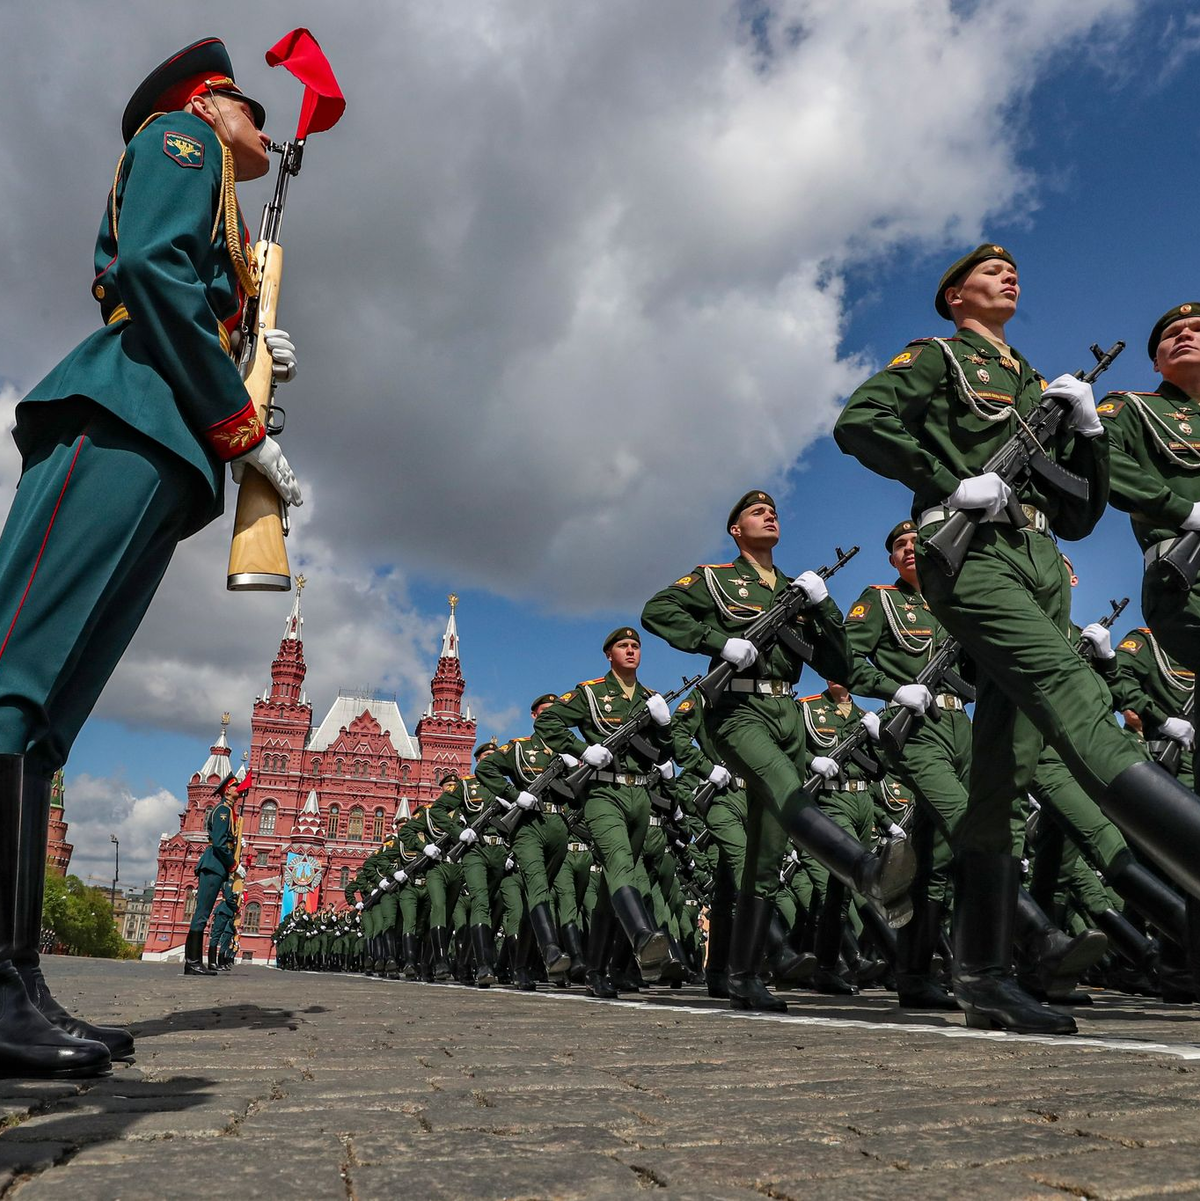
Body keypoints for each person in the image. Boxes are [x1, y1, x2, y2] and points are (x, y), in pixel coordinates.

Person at [0, 38, 303, 1078]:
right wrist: (237, 415)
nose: (267, 136)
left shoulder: (219, 182)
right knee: (14, 683)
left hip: (161, 440)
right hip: (122, 413)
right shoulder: (178, 139)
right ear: (213, 102)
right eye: (256, 115)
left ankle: (14, 978)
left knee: (44, 724)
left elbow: (185, 291)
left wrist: (248, 351)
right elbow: (147, 271)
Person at [834, 244, 1200, 1033]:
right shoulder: (938, 356)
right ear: (955, 296)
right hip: (971, 554)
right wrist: (941, 476)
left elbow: (1079, 514)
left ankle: (983, 973)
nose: (1009, 277)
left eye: (1013, 273)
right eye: (988, 273)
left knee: (1000, 771)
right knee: (1076, 696)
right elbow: (859, 422)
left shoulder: (1038, 383)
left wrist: (1090, 432)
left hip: (1038, 555)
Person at [641, 491, 914, 1013]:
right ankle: (865, 870)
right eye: (755, 512)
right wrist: (715, 642)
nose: (769, 514)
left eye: (773, 510)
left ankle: (743, 974)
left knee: (765, 858)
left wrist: (825, 604)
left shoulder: (794, 590)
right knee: (786, 788)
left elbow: (841, 661)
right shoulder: (715, 577)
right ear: (736, 531)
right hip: (737, 711)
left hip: (787, 713)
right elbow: (658, 610)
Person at [534, 628, 674, 994]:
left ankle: (601, 969)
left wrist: (664, 725)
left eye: (636, 646)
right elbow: (547, 722)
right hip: (603, 792)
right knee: (618, 862)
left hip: (641, 795)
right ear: (608, 654)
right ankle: (643, 936)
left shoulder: (649, 698)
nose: (630, 651)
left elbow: (665, 750)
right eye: (623, 646)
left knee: (615, 881)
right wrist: (580, 749)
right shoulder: (591, 693)